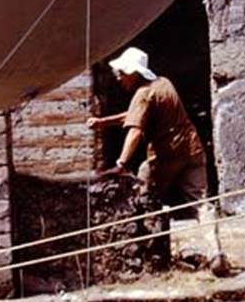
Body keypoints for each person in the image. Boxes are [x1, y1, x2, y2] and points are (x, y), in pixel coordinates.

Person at [87, 47, 232, 277]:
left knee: (144, 191)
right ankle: (216, 253)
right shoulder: (163, 84)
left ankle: (149, 254)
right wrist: (103, 122)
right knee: (201, 203)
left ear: (133, 73)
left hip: (167, 155)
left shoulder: (142, 94)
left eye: (122, 73)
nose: (119, 78)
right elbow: (136, 114)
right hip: (192, 150)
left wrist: (121, 163)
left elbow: (135, 129)